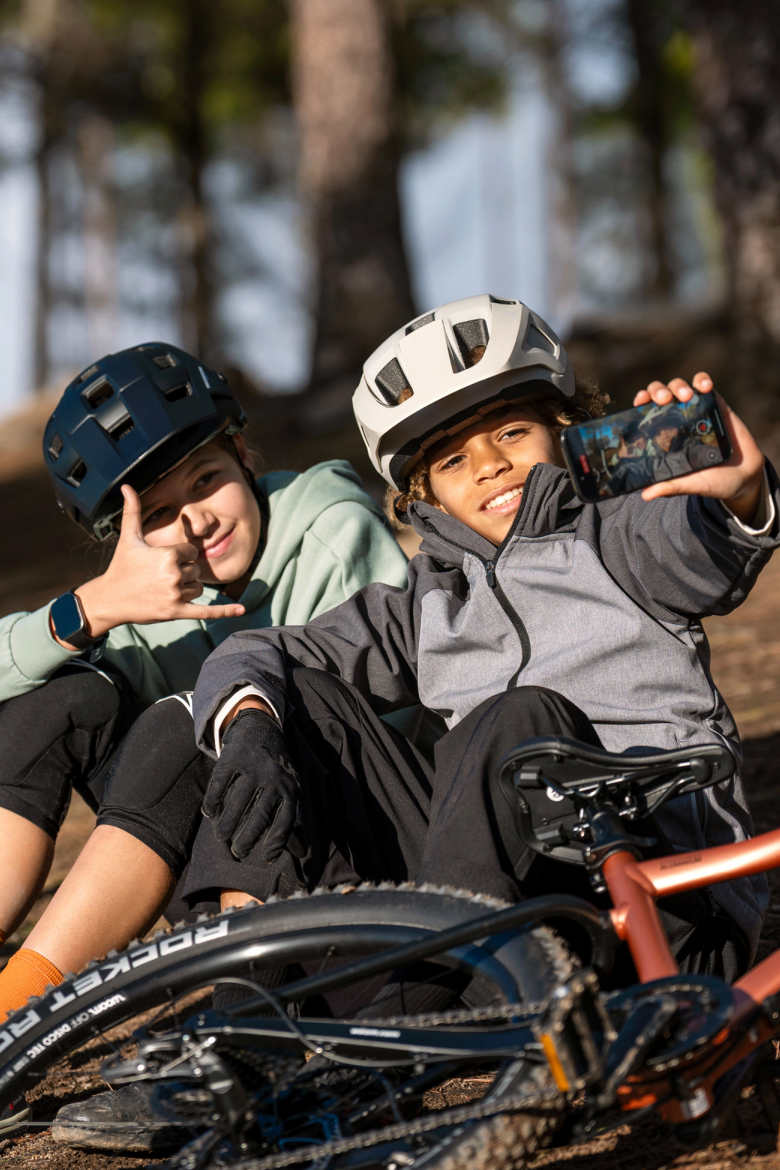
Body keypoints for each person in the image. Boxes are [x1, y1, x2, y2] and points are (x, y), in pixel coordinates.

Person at [53, 294, 779, 1151]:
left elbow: (712, 544)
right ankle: (239, 1038)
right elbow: (266, 654)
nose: (490, 469)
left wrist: (739, 493)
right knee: (297, 704)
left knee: (516, 720)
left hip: (661, 903)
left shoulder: (621, 533)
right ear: (420, 491)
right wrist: (249, 729)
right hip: (511, 912)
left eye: (511, 433)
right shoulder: (422, 605)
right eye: (453, 459)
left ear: (563, 425)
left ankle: (379, 1031)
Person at [0, 341, 410, 1133]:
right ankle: (9, 1012)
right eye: (155, 514)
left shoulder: (327, 526)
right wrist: (94, 608)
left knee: (188, 714)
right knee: (63, 700)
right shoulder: (149, 593)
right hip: (225, 865)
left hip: (354, 860)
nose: (192, 523)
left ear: (242, 454)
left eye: (206, 480)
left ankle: (36, 1027)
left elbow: (381, 727)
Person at [642, 407, 722, 480]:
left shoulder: (692, 452)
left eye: (670, 429)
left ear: (681, 429)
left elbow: (709, 455)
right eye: (658, 434)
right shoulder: (654, 461)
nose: (664, 436)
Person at [601, 422, 651, 495]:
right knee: (623, 461)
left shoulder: (654, 444)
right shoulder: (640, 450)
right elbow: (613, 461)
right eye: (633, 441)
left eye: (637, 438)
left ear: (644, 433)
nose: (636, 443)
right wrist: (619, 455)